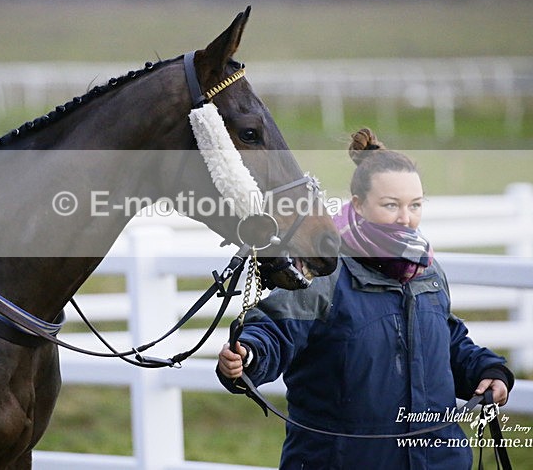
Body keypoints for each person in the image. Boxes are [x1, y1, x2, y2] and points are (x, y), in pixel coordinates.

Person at [216, 128, 514, 470]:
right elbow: (274, 330)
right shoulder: (324, 270)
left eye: (415, 205)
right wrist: (248, 356)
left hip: (438, 460)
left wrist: (487, 370)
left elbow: (446, 343)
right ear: (358, 204)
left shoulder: (428, 271)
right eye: (391, 205)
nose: (406, 218)